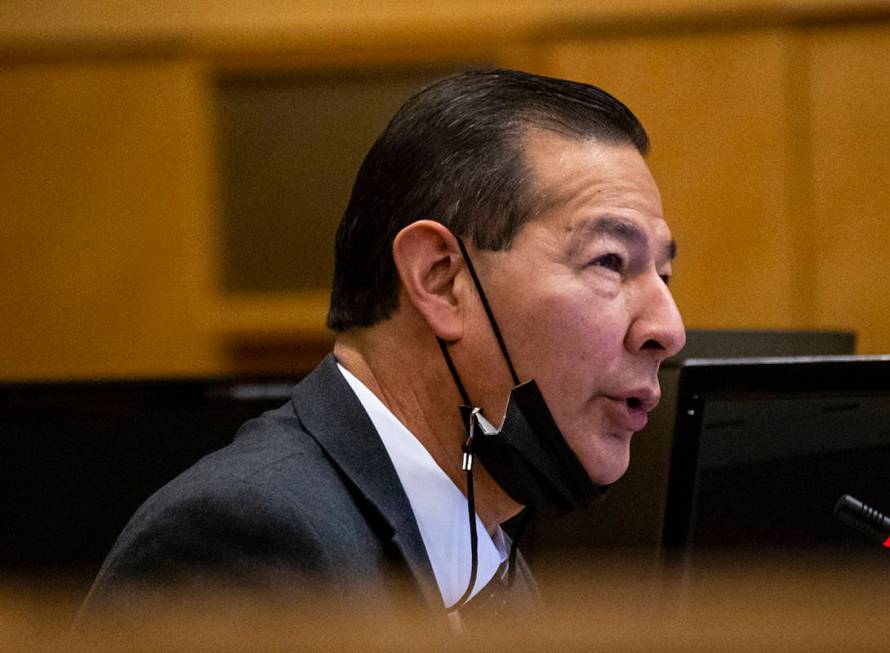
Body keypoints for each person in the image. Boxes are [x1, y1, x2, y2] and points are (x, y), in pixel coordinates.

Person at [80, 68, 685, 627]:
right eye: (610, 261)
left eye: (663, 274)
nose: (669, 328)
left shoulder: (490, 541)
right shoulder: (249, 542)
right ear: (442, 280)